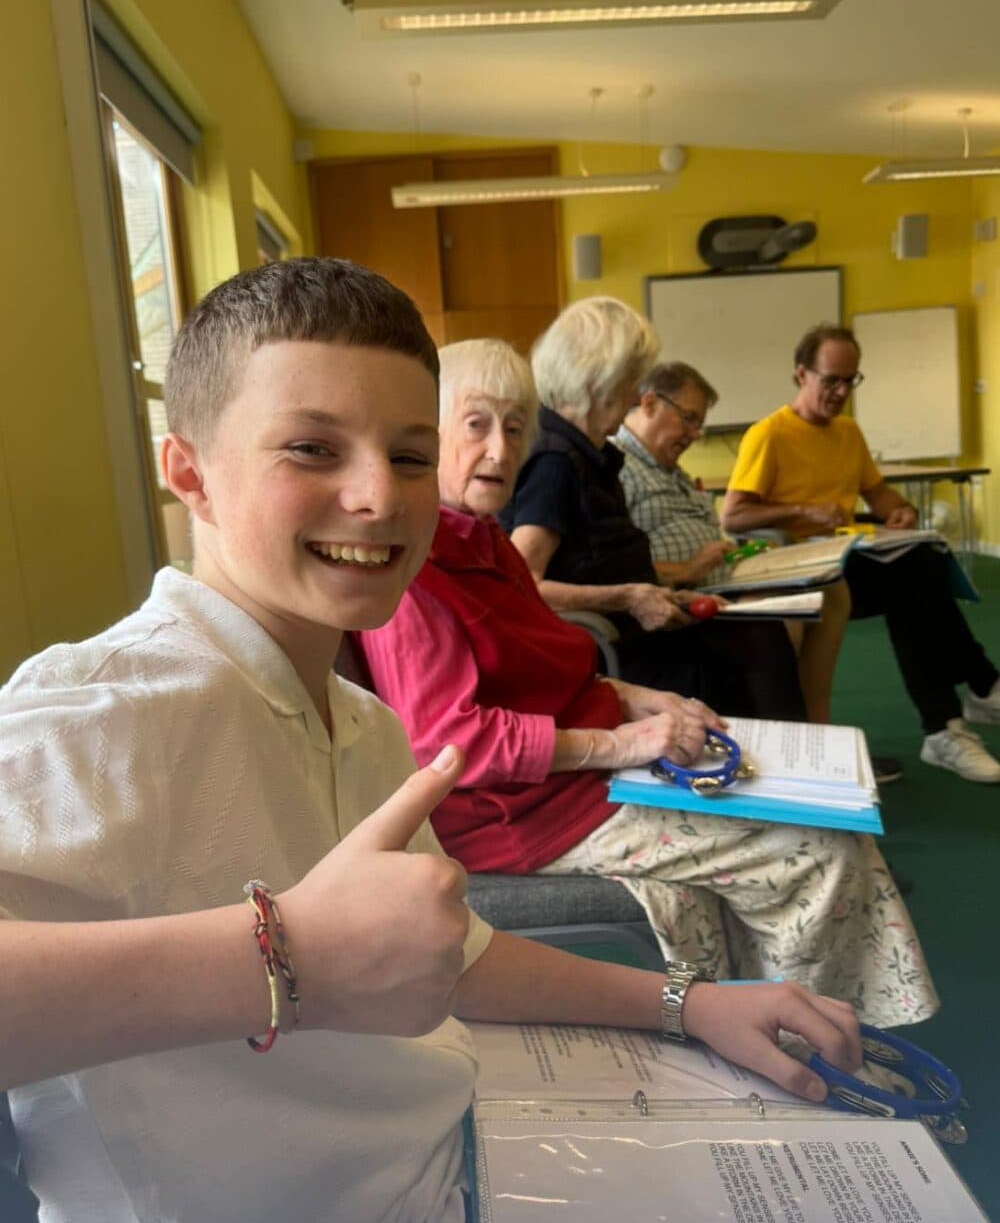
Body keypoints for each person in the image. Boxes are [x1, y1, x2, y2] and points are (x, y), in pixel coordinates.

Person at [0, 261, 869, 1223]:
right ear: (191, 475)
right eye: (311, 450)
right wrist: (280, 960)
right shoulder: (106, 706)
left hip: (449, 1158)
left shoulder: (363, 724)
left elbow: (454, 954)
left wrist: (689, 1003)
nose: (381, 496)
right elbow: (310, 958)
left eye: (411, 457)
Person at [359, 335, 938, 1033]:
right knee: (823, 849)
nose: (500, 448)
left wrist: (639, 699)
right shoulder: (418, 575)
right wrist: (622, 743)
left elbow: (551, 666)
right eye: (476, 423)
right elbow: (450, 743)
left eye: (516, 428)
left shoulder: (482, 541)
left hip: (577, 780)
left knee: (809, 811)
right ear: (429, 432)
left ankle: (773, 1029)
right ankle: (825, 1048)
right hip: (523, 813)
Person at [497, 297, 808, 722]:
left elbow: (596, 562)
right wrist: (630, 596)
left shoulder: (585, 451)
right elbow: (524, 582)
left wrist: (661, 593)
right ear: (597, 381)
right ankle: (776, 773)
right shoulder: (555, 461)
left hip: (634, 630)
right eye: (629, 383)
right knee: (756, 644)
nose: (632, 397)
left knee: (758, 633)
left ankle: (777, 768)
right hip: (610, 649)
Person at [722, 323, 1000, 784]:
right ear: (800, 375)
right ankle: (976, 689)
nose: (840, 391)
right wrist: (801, 510)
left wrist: (902, 512)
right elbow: (732, 517)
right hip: (799, 571)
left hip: (849, 560)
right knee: (918, 579)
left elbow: (878, 493)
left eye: (850, 380)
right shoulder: (768, 435)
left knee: (920, 572)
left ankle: (947, 726)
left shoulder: (848, 432)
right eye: (830, 379)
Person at [612, 361, 854, 730]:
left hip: (725, 578)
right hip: (685, 595)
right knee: (770, 621)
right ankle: (793, 732)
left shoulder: (666, 467)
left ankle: (816, 727)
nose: (695, 434)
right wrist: (687, 570)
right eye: (688, 419)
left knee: (831, 588)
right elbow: (613, 564)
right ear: (648, 405)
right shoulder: (617, 468)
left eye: (699, 424)